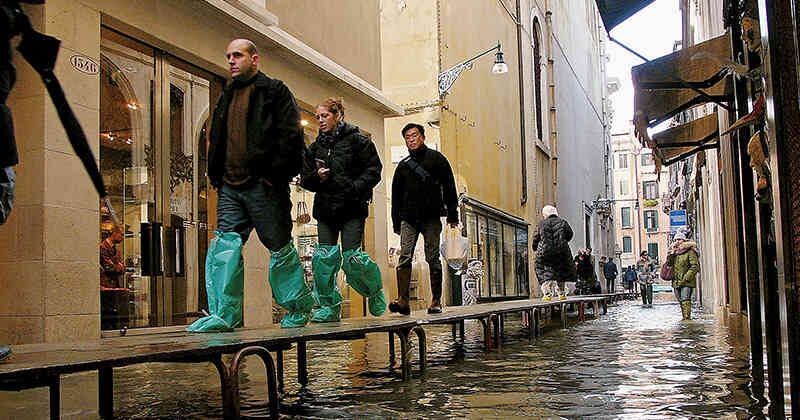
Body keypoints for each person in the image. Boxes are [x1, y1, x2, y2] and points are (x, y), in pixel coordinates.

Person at [188, 39, 312, 331]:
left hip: (263, 185)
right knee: (225, 247)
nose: (231, 60)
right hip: (230, 185)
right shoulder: (226, 95)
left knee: (279, 246)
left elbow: (291, 138)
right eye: (228, 55)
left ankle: (297, 306)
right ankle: (223, 314)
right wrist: (216, 176)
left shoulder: (275, 92)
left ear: (254, 59)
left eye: (238, 55)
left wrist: (274, 176)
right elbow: (216, 139)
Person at [299, 98, 386, 322]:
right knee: (323, 260)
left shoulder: (359, 141)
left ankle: (374, 291)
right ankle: (329, 307)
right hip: (325, 209)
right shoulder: (315, 147)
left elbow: (374, 170)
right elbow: (305, 179)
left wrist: (355, 188)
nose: (320, 121)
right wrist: (316, 177)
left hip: (352, 208)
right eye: (317, 117)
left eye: (325, 116)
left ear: (338, 116)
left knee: (352, 258)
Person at [390, 123, 459, 315]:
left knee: (432, 257)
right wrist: (396, 221)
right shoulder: (403, 166)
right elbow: (395, 196)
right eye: (407, 137)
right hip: (408, 219)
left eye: (414, 135)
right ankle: (403, 299)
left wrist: (453, 214)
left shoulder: (437, 160)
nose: (411, 140)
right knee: (404, 257)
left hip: (431, 217)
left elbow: (450, 187)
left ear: (422, 136)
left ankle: (435, 300)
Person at [531, 205, 576, 301]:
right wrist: (562, 242)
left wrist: (535, 247)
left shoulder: (541, 224)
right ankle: (562, 293)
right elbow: (570, 234)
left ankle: (547, 294)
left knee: (543, 271)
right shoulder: (563, 222)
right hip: (561, 252)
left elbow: (536, 238)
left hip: (545, 252)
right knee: (560, 272)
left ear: (545, 214)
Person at [667, 231, 700, 320]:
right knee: (681, 301)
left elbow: (695, 266)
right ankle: (684, 317)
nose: (677, 241)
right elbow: (669, 264)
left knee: (685, 300)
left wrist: (686, 278)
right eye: (676, 239)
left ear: (684, 240)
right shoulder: (674, 252)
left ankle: (687, 319)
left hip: (687, 281)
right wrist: (672, 254)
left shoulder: (690, 251)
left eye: (679, 239)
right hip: (676, 281)